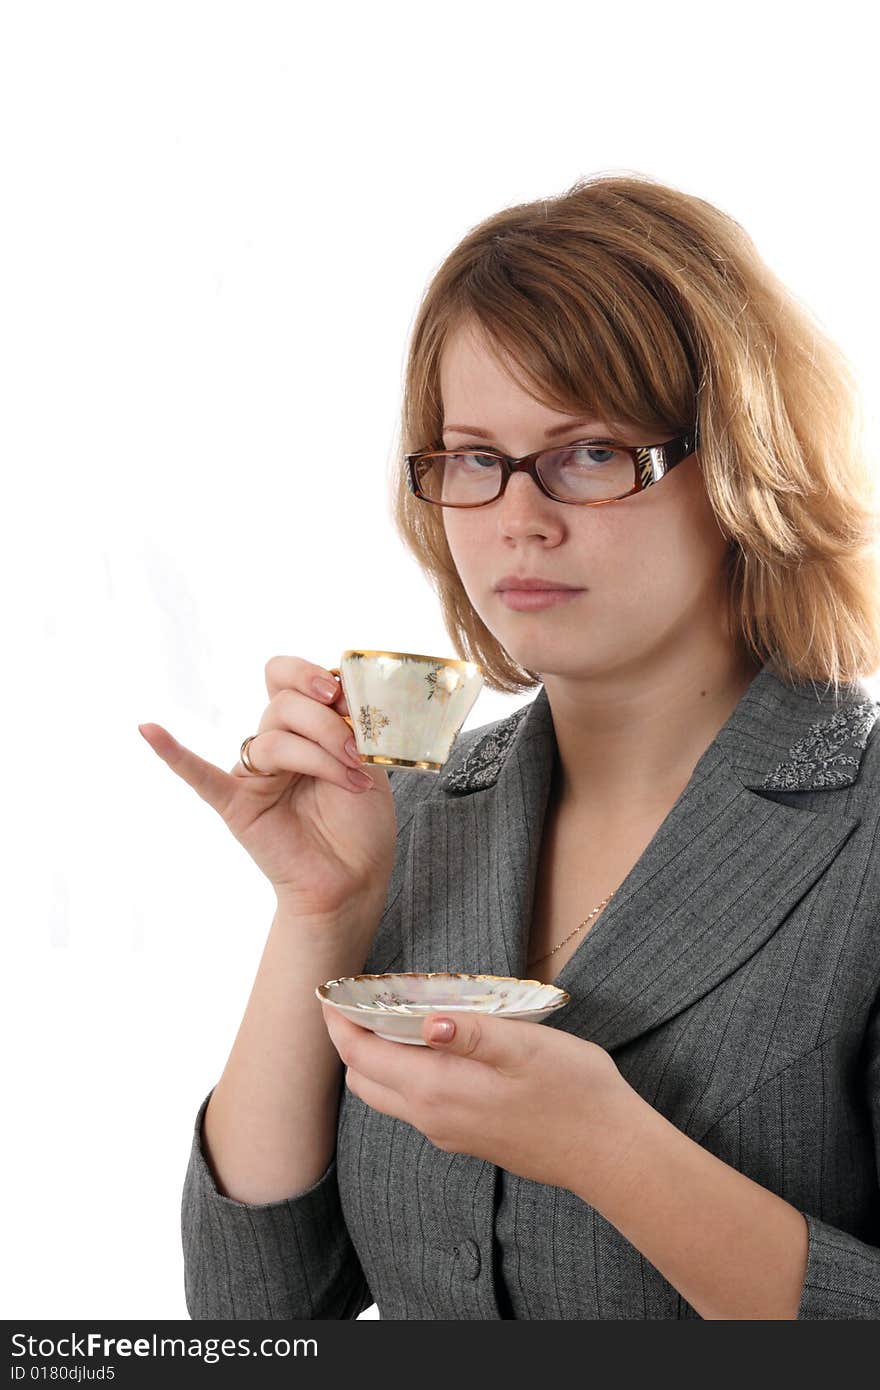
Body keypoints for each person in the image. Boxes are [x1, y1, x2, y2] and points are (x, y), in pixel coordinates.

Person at [140, 171, 880, 1319]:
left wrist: (612, 1150)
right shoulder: (415, 817)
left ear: (738, 466)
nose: (517, 517)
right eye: (473, 457)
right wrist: (318, 914)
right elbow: (253, 1317)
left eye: (587, 453)